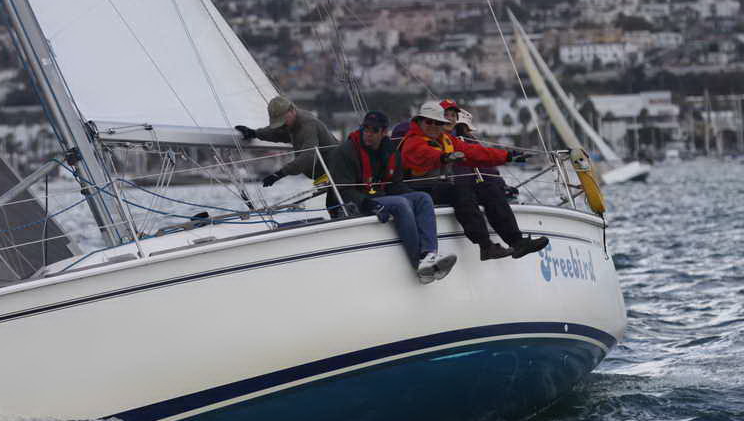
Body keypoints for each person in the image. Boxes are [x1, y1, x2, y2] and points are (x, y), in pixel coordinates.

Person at [400, 99, 548, 260]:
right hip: (420, 189)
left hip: (441, 187)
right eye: (429, 122)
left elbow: (474, 152)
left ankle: (517, 242)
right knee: (461, 189)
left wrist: (508, 156)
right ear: (420, 122)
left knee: (488, 188)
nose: (434, 126)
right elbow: (423, 154)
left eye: (438, 122)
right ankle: (485, 246)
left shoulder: (446, 139)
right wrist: (445, 157)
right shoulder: (412, 141)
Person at [328, 110, 457, 284]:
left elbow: (395, 185)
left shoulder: (390, 151)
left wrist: (413, 197)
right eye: (365, 128)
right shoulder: (346, 151)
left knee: (423, 198)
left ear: (384, 132)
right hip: (358, 201)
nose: (368, 133)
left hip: (380, 195)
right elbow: (343, 191)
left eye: (374, 130)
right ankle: (419, 263)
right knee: (401, 203)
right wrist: (369, 204)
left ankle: (429, 254)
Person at [235, 96, 340, 208]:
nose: (283, 125)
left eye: (283, 121)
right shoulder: (292, 123)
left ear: (292, 110)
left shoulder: (308, 125)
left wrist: (280, 174)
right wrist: (254, 133)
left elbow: (308, 157)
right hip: (327, 175)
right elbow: (276, 133)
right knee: (334, 207)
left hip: (338, 172)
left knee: (336, 206)